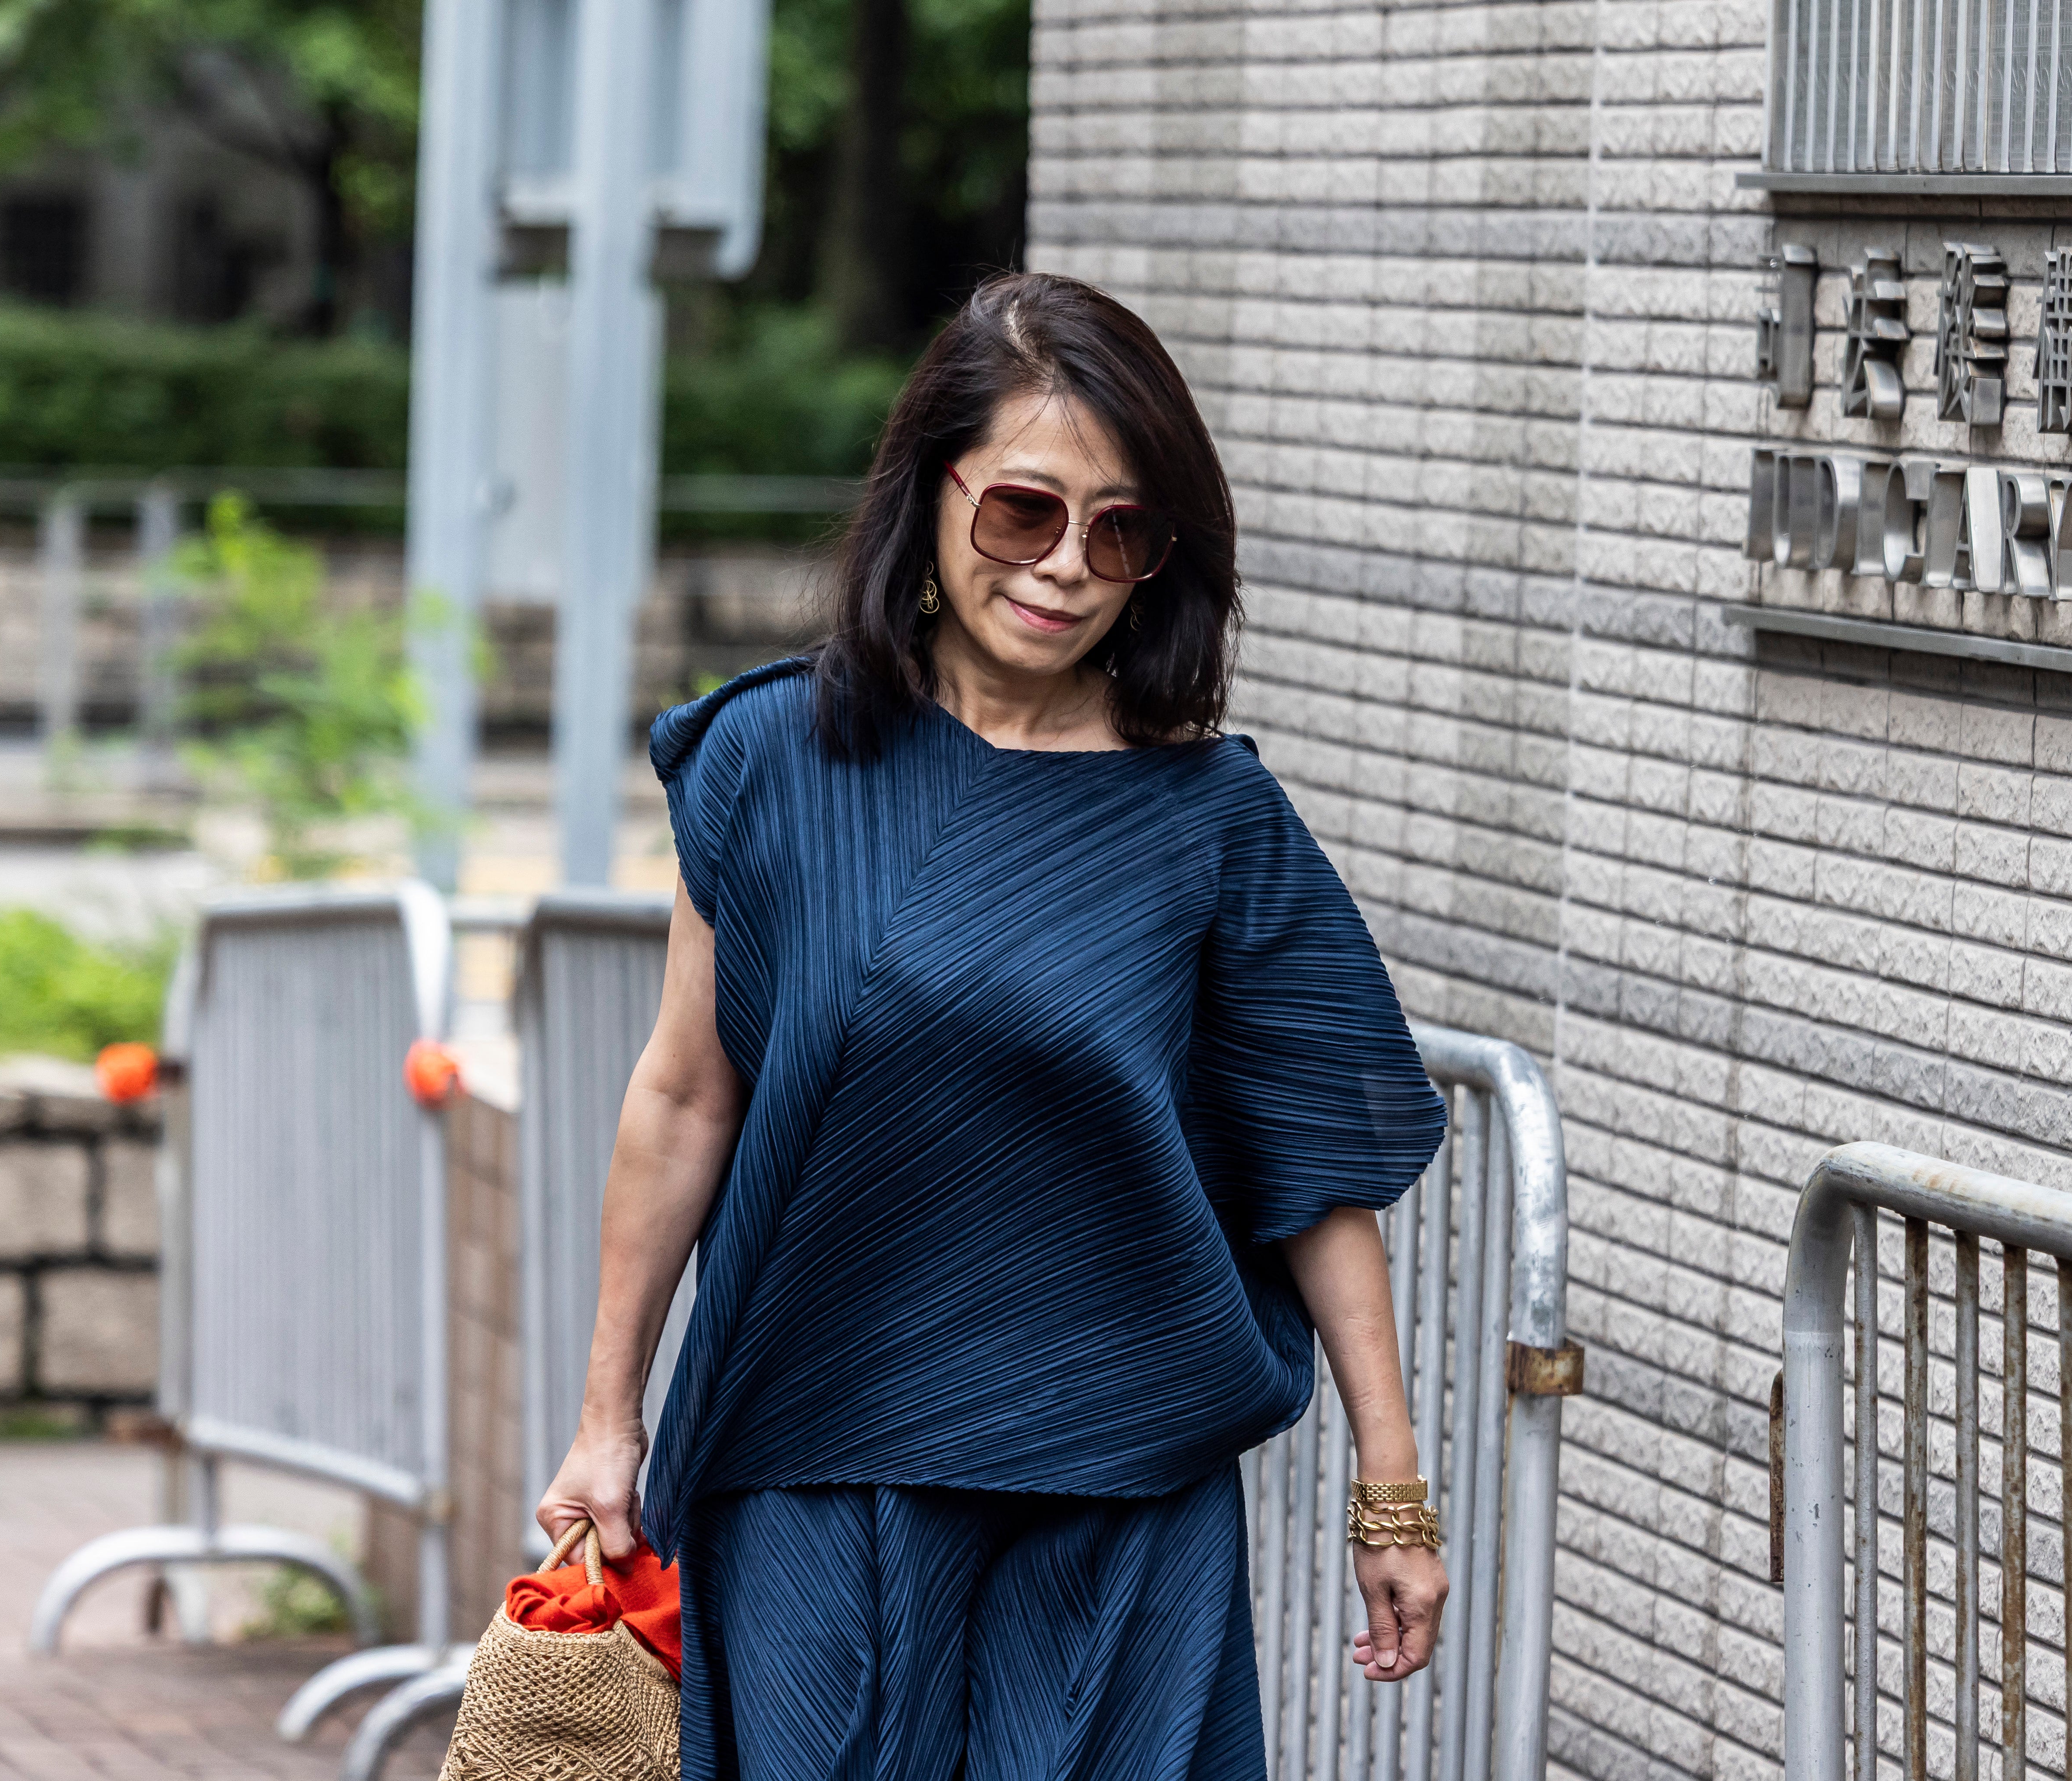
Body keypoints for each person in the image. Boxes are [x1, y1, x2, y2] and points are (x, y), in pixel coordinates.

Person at [537, 270, 1452, 1779]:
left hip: (1117, 1490)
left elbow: (1313, 1171)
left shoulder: (1213, 822)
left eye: (1121, 531)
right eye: (1025, 510)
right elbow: (687, 1097)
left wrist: (1392, 1491)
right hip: (809, 1459)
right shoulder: (774, 757)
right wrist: (605, 1419)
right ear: (933, 490)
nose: (1067, 567)